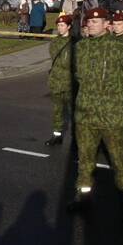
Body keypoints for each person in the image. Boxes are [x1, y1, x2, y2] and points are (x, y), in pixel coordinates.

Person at [68, 8, 123, 215]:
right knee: (85, 161)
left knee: (119, 161)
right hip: (85, 115)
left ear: (106, 24)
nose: (90, 24)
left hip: (112, 116)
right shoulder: (81, 48)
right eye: (88, 22)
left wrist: (118, 95)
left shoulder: (120, 48)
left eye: (95, 22)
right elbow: (77, 77)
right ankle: (83, 198)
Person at [45, 13, 75, 146]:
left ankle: (76, 138)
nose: (60, 28)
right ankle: (57, 135)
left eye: (62, 25)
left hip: (69, 82)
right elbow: (54, 57)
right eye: (58, 25)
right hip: (56, 81)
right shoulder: (55, 42)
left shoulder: (74, 43)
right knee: (57, 111)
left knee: (73, 111)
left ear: (68, 27)